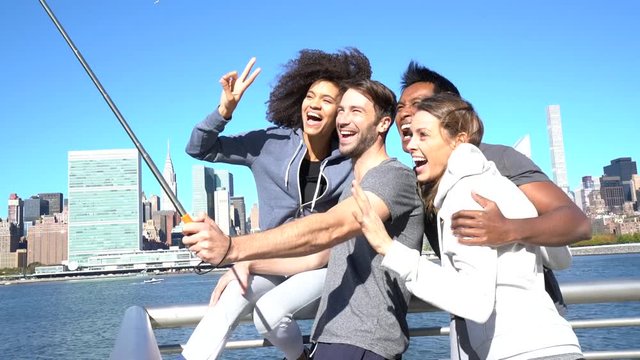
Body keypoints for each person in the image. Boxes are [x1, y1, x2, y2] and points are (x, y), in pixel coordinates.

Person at [183, 79, 424, 360]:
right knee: (231, 296)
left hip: (325, 271)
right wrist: (224, 111)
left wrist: (233, 249)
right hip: (277, 261)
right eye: (310, 95)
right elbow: (199, 148)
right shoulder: (268, 144)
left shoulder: (356, 164)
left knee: (272, 311)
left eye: (330, 101)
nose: (317, 105)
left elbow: (330, 231)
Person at [352, 93, 583, 360]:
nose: (411, 145)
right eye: (411, 134)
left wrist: (388, 248)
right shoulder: (502, 184)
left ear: (458, 141)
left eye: (423, 135)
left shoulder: (464, 194)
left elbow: (475, 302)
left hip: (519, 352)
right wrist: (515, 228)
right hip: (558, 344)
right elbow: (561, 258)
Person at [394, 61, 591, 312]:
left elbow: (578, 223)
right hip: (473, 326)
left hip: (531, 329)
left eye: (418, 104)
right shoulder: (416, 182)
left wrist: (510, 229)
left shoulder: (497, 160)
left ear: (449, 110)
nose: (405, 113)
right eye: (400, 107)